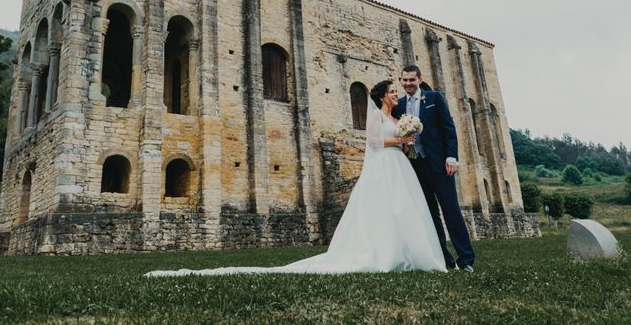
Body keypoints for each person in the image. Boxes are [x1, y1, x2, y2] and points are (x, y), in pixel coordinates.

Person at [145, 80, 446, 277]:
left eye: (397, 91)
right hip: (384, 165)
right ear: (382, 96)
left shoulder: (398, 118)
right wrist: (403, 140)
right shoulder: (378, 117)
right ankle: (384, 253)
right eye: (393, 91)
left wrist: (407, 138)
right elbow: (374, 142)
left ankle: (410, 251)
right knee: (382, 208)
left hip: (398, 167)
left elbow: (398, 140)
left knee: (403, 208)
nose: (397, 94)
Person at [394, 65, 475, 272]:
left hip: (439, 164)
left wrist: (451, 157)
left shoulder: (434, 98)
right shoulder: (400, 104)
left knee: (451, 210)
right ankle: (445, 259)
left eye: (412, 80)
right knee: (429, 214)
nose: (408, 84)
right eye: (404, 80)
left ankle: (466, 259)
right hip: (416, 165)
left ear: (419, 80)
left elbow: (448, 128)